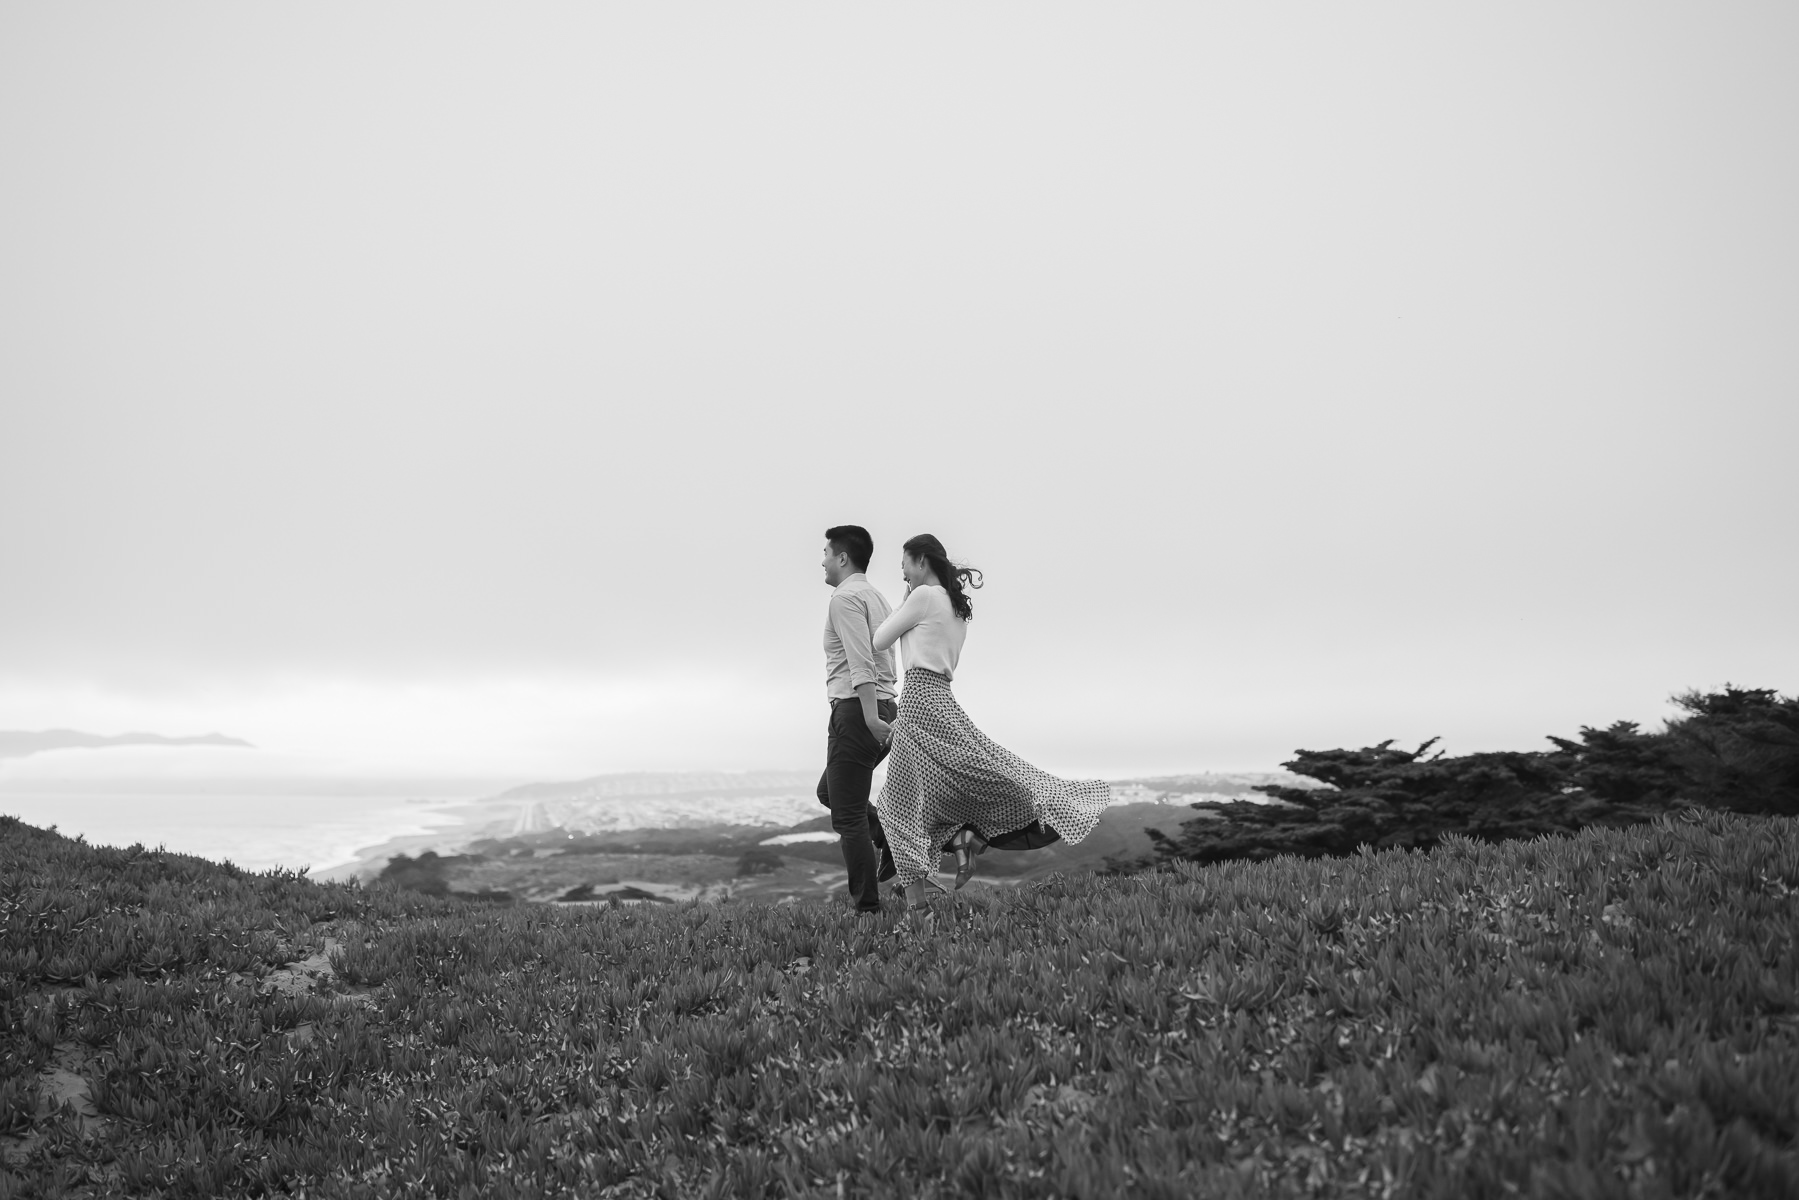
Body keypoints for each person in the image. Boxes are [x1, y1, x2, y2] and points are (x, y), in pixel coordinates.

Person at [874, 533, 1110, 906]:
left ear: (921, 561)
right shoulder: (954, 609)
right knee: (973, 773)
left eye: (904, 563)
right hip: (943, 697)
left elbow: (879, 640)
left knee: (896, 805)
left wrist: (905, 600)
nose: (901, 571)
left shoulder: (922, 597)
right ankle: (963, 842)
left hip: (919, 698)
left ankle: (918, 908)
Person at [816, 525, 901, 915]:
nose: (823, 561)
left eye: (827, 553)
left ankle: (868, 910)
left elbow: (860, 662)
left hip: (857, 711)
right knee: (830, 794)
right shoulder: (877, 597)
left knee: (847, 816)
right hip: (884, 706)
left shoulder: (845, 598)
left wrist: (867, 716)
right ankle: (884, 831)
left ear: (843, 558)